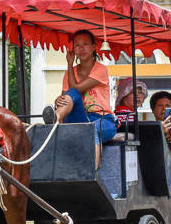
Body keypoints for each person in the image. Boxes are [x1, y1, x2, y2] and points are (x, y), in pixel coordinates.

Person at [43, 30, 117, 165]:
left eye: (85, 44)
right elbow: (66, 97)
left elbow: (75, 89)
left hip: (101, 119)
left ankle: (92, 173)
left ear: (94, 47)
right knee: (71, 96)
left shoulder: (101, 69)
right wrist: (58, 100)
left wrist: (69, 65)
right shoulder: (70, 73)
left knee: (90, 128)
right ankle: (56, 119)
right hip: (78, 116)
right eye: (77, 45)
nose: (81, 49)